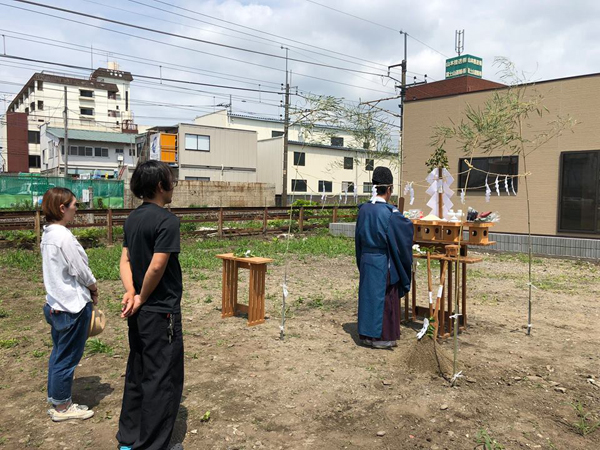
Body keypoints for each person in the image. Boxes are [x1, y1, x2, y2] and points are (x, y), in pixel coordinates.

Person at [117, 161, 184, 450]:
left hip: (139, 312)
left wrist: (131, 292)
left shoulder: (132, 219)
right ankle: (153, 445)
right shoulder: (167, 221)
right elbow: (157, 267)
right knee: (162, 377)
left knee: (138, 371)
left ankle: (129, 438)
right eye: (172, 181)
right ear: (160, 186)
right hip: (160, 311)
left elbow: (125, 260)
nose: (173, 187)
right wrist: (142, 296)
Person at [41, 187, 98, 421]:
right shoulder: (63, 236)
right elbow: (80, 270)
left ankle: (57, 398)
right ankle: (62, 407)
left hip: (55, 303)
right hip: (71, 305)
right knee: (67, 357)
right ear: (62, 208)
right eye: (74, 204)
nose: (77, 208)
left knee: (59, 353)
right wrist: (93, 287)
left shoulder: (49, 234)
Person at [355, 166, 413, 349]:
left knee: (368, 296)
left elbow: (357, 239)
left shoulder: (363, 210)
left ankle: (366, 335)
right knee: (385, 297)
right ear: (389, 189)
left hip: (366, 258)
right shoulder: (389, 213)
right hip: (382, 261)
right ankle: (382, 338)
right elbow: (404, 236)